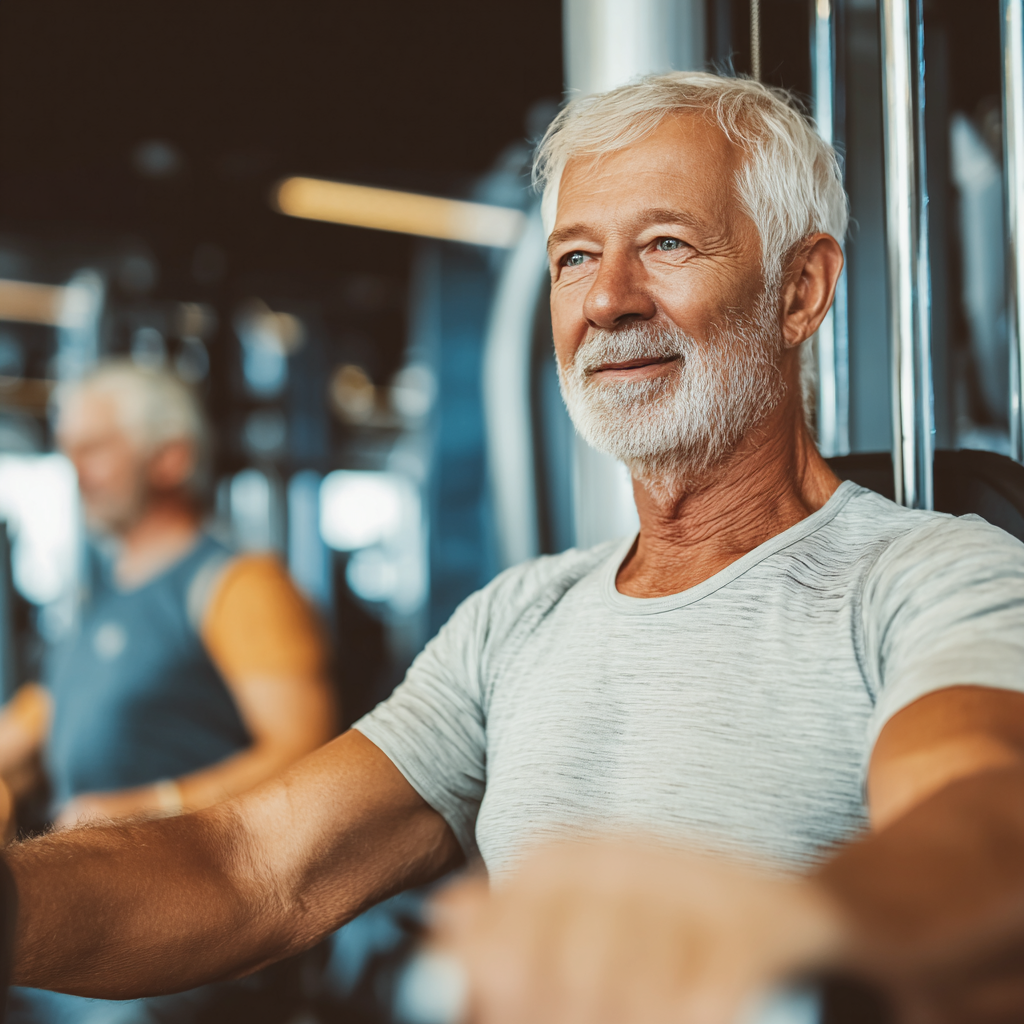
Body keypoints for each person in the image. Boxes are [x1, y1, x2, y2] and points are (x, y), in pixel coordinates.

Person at [3, 72, 1024, 1022]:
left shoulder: (932, 578)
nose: (608, 300)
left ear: (800, 290)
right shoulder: (518, 617)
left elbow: (987, 826)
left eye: (666, 244)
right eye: (575, 257)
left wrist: (802, 931)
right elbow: (252, 869)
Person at [0, 362, 337, 1022]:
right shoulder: (102, 602)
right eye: (69, 453)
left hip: (191, 936)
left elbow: (310, 755)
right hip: (95, 915)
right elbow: (36, 723)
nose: (77, 473)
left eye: (95, 450)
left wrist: (150, 806)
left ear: (171, 458)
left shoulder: (239, 587)